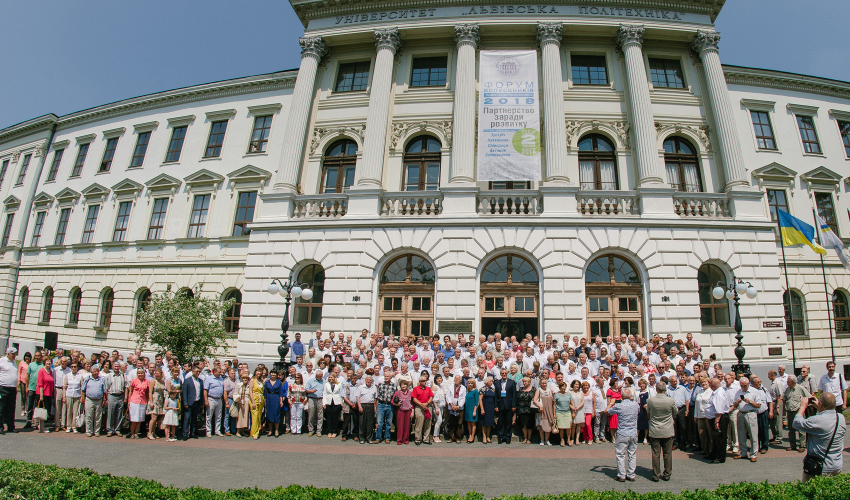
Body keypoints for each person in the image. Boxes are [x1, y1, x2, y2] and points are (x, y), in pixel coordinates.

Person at [792, 392, 847, 482]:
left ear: (821, 404)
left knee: (810, 493)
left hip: (820, 468)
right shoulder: (841, 418)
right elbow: (827, 418)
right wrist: (820, 408)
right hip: (836, 465)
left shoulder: (816, 420)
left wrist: (803, 407)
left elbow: (796, 423)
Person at [606, 387, 640, 482]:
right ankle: (631, 474)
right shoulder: (636, 405)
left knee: (620, 454)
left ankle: (621, 474)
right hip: (633, 432)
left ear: (621, 396)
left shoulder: (619, 406)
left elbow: (606, 411)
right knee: (632, 454)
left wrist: (611, 403)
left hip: (622, 432)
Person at [646, 381, 678, 482]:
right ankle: (667, 474)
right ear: (665, 389)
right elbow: (675, 412)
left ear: (656, 389)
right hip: (667, 430)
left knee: (656, 453)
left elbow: (648, 412)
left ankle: (656, 475)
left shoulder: (650, 400)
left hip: (655, 429)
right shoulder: (670, 400)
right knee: (667, 453)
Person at [731, 376, 761, 462]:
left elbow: (759, 405)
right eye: (742, 386)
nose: (743, 388)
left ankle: (753, 454)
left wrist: (750, 402)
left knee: (753, 434)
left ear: (748, 384)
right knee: (741, 434)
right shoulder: (739, 392)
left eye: (745, 386)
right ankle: (743, 452)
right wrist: (737, 403)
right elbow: (735, 405)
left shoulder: (754, 391)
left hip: (750, 413)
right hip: (741, 413)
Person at [780, 376, 810, 452]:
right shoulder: (787, 389)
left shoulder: (800, 388)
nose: (787, 382)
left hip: (798, 411)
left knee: (801, 429)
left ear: (793, 381)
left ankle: (802, 446)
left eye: (788, 381)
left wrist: (804, 406)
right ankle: (792, 445)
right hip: (790, 411)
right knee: (791, 429)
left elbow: (809, 396)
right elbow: (784, 399)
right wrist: (784, 414)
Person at [704, 378, 730, 464]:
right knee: (715, 438)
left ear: (713, 385)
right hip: (715, 418)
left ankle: (720, 457)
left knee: (720, 438)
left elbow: (719, 410)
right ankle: (714, 453)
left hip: (720, 418)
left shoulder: (719, 394)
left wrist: (716, 422)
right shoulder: (716, 392)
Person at [81, 366, 107, 437]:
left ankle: (97, 431)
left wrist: (104, 400)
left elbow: (104, 391)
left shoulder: (101, 379)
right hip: (89, 399)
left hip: (99, 400)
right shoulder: (88, 379)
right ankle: (89, 431)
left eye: (97, 371)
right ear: (91, 372)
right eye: (94, 371)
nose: (96, 373)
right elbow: (83, 389)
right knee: (89, 416)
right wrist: (82, 398)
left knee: (98, 417)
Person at [126, 368, 151, 439]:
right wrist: (129, 401)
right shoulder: (134, 381)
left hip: (143, 401)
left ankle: (136, 433)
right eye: (139, 373)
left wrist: (148, 400)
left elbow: (147, 392)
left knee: (140, 419)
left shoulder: (147, 381)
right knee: (134, 419)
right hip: (134, 400)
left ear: (144, 374)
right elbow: (130, 391)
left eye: (142, 373)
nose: (140, 375)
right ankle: (132, 433)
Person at [375, 371, 398, 444]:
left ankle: (387, 437)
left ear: (391, 377)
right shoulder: (380, 385)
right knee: (379, 422)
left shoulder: (394, 386)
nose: (386, 378)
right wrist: (376, 406)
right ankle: (378, 438)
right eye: (385, 376)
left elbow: (395, 396)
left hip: (389, 405)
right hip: (381, 404)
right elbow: (377, 396)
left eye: (387, 376)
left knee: (388, 422)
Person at [494, 368, 516, 444]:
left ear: (507, 374)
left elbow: (514, 394)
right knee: (501, 422)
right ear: (500, 374)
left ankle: (508, 437)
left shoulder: (511, 382)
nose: (504, 375)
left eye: (505, 373)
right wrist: (496, 406)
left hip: (508, 405)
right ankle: (501, 437)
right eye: (502, 373)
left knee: (508, 422)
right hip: (500, 405)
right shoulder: (497, 382)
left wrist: (513, 405)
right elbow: (496, 395)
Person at [0, 347, 19, 434]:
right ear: (8, 354)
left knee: (11, 408)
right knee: (1, 408)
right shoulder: (2, 361)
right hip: (3, 387)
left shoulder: (14, 362)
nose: (14, 356)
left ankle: (11, 426)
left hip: (12, 388)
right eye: (13, 354)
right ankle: (0, 427)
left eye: (15, 354)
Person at [23, 350, 44, 428]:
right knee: (30, 405)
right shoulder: (31, 365)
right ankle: (29, 421)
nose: (37, 357)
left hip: (39, 389)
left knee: (37, 406)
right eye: (36, 356)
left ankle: (37, 422)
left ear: (41, 357)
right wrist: (26, 387)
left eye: (38, 356)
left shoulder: (43, 365)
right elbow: (27, 376)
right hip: (31, 388)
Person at [105, 361, 126, 437]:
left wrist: (125, 397)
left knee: (119, 414)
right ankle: (110, 430)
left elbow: (126, 386)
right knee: (111, 413)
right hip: (112, 395)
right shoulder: (109, 376)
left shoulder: (123, 375)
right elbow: (106, 388)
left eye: (118, 366)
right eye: (115, 366)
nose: (116, 368)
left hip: (120, 396)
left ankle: (118, 430)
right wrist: (107, 398)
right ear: (112, 367)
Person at [412, 374, 434, 445]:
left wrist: (426, 403)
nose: (425, 382)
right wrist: (421, 404)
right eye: (423, 381)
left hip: (427, 406)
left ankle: (426, 438)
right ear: (420, 381)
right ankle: (418, 438)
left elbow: (431, 397)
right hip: (419, 407)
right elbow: (414, 398)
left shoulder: (428, 389)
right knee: (419, 422)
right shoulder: (416, 389)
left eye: (425, 381)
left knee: (428, 423)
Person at [533, 375, 555, 446]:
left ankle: (547, 440)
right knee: (541, 426)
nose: (544, 385)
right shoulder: (538, 390)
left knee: (548, 425)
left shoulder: (549, 390)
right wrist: (540, 406)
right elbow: (534, 400)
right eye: (542, 383)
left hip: (549, 410)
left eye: (545, 383)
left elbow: (552, 400)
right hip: (541, 410)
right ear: (540, 384)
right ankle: (542, 440)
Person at [356, 374, 377, 444]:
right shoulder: (361, 387)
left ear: (372, 381)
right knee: (362, 422)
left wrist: (375, 407)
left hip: (370, 406)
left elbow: (375, 398)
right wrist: (359, 406)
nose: (368, 381)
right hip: (363, 405)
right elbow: (358, 397)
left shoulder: (374, 387)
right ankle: (361, 438)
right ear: (365, 380)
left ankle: (369, 438)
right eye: (367, 380)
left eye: (370, 380)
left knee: (370, 423)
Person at [263, 369, 285, 437]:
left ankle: (276, 430)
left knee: (276, 413)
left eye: (274, 373)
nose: (273, 374)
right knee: (269, 414)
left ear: (276, 375)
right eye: (272, 373)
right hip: (269, 397)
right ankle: (270, 430)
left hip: (276, 398)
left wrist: (281, 401)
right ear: (270, 374)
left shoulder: (279, 382)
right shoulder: (267, 382)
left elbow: (281, 393)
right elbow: (265, 393)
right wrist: (264, 401)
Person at [35, 361, 55, 433]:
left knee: (46, 411)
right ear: (44, 362)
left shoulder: (50, 371)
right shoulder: (41, 371)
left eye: (50, 362)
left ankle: (42, 426)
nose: (49, 363)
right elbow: (40, 384)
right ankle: (41, 426)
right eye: (47, 361)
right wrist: (41, 396)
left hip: (48, 394)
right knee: (42, 411)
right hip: (42, 393)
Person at [445, 375, 466, 443]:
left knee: (459, 423)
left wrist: (458, 406)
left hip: (459, 408)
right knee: (451, 423)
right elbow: (448, 396)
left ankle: (458, 438)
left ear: (460, 380)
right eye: (455, 379)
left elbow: (463, 398)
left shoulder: (463, 388)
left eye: (458, 379)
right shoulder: (450, 387)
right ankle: (450, 437)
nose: (456, 380)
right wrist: (452, 405)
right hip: (451, 407)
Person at [63, 362, 83, 433]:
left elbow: (81, 387)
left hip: (77, 395)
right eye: (72, 367)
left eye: (75, 367)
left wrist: (81, 397)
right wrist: (64, 396)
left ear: (77, 368)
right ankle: (68, 426)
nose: (73, 368)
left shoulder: (80, 376)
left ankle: (74, 427)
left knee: (75, 412)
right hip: (69, 394)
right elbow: (65, 387)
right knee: (69, 411)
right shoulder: (67, 375)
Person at [322, 372, 342, 438]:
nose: (331, 378)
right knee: (329, 417)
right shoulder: (326, 384)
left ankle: (335, 431)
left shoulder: (339, 384)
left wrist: (342, 403)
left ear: (334, 378)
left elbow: (341, 394)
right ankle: (330, 431)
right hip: (328, 402)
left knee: (335, 417)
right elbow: (324, 394)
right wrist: (324, 403)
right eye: (329, 377)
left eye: (332, 377)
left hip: (337, 402)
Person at [147, 368, 166, 439]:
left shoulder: (162, 382)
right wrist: (151, 402)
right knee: (153, 418)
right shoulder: (153, 381)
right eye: (156, 373)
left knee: (157, 418)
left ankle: (153, 432)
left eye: (158, 373)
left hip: (160, 401)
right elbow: (150, 392)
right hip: (154, 400)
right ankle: (149, 433)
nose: (157, 375)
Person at [393, 379, 413, 445]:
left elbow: (412, 403)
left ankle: (406, 439)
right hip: (400, 410)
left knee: (407, 426)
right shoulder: (397, 393)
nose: (403, 386)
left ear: (407, 386)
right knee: (400, 426)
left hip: (408, 410)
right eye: (402, 384)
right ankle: (399, 440)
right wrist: (397, 404)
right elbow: (392, 402)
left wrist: (412, 412)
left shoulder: (410, 393)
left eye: (404, 384)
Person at [305, 370, 325, 436]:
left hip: (320, 399)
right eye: (320, 376)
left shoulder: (324, 381)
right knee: (311, 415)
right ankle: (311, 430)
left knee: (320, 415)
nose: (321, 377)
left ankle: (319, 430)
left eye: (322, 376)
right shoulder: (311, 381)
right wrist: (312, 391)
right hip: (312, 398)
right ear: (316, 376)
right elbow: (306, 390)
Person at [554, 381, 573, 446]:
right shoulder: (556, 395)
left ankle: (568, 439)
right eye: (562, 386)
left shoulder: (569, 394)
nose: (563, 388)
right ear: (559, 387)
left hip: (567, 412)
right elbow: (554, 405)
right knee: (561, 427)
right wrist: (554, 414)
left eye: (564, 386)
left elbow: (572, 404)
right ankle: (562, 439)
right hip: (559, 412)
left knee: (568, 427)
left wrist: (573, 412)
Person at [248, 367, 265, 439]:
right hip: (254, 398)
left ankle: (253, 431)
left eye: (260, 372)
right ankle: (255, 433)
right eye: (258, 371)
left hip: (260, 398)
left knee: (258, 416)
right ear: (255, 372)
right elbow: (250, 392)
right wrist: (253, 402)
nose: (259, 373)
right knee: (255, 416)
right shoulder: (252, 380)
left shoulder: (260, 380)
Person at [478, 377, 495, 444]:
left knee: (489, 423)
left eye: (492, 381)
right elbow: (480, 399)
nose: (491, 382)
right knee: (484, 423)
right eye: (490, 381)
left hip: (491, 407)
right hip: (485, 407)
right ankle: (484, 437)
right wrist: (482, 409)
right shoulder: (483, 389)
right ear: (487, 381)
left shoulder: (493, 389)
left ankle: (488, 436)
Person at [431, 373, 446, 443]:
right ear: (435, 380)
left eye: (440, 378)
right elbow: (433, 398)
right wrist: (436, 408)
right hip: (436, 406)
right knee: (439, 420)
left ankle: (437, 434)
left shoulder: (441, 387)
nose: (439, 380)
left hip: (441, 406)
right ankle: (435, 436)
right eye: (437, 379)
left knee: (439, 421)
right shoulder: (434, 387)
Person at [580, 381, 596, 445]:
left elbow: (594, 403)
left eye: (586, 385)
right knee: (583, 426)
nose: (585, 387)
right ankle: (585, 438)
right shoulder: (581, 393)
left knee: (588, 424)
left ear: (589, 386)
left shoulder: (591, 393)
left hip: (589, 411)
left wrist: (593, 411)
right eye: (584, 386)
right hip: (582, 411)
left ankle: (590, 438)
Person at [464, 378, 479, 443]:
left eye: (471, 383)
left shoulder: (475, 391)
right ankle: (469, 435)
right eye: (469, 383)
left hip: (473, 409)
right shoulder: (467, 391)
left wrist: (475, 410)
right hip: (467, 408)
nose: (470, 384)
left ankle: (472, 436)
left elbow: (477, 401)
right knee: (468, 422)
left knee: (473, 423)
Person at [16, 351, 31, 418]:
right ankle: (23, 409)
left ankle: (27, 409)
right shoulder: (22, 363)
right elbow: (19, 372)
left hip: (29, 382)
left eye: (28, 357)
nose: (27, 358)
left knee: (28, 395)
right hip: (22, 381)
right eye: (26, 356)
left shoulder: (30, 364)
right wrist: (18, 380)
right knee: (23, 395)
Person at [636, 378, 650, 444]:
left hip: (646, 410)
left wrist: (647, 404)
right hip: (640, 409)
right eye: (641, 384)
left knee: (646, 424)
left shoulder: (648, 391)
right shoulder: (637, 392)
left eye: (643, 384)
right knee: (638, 423)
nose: (642, 385)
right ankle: (636, 437)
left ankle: (645, 438)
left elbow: (650, 399)